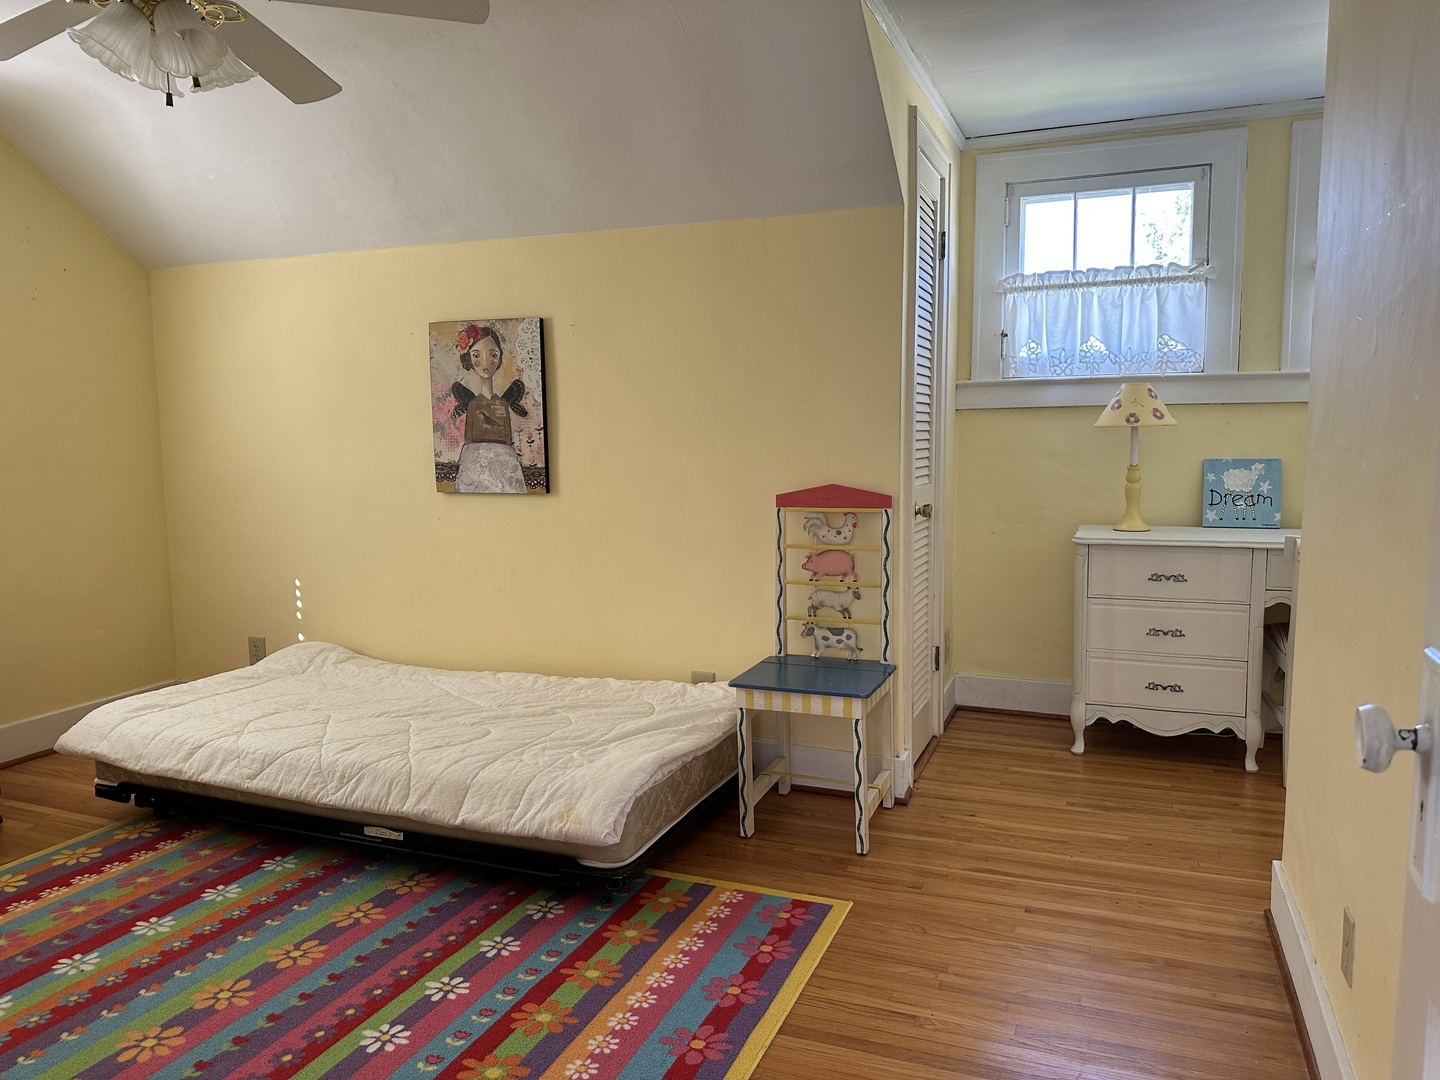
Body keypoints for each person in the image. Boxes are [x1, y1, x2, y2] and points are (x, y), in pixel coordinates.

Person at [449, 324, 528, 493]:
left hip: (504, 461)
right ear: (469, 358)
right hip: (474, 461)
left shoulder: (502, 404)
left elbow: (507, 439)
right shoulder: (473, 405)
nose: (485, 363)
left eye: (493, 354)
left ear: (499, 358)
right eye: (477, 355)